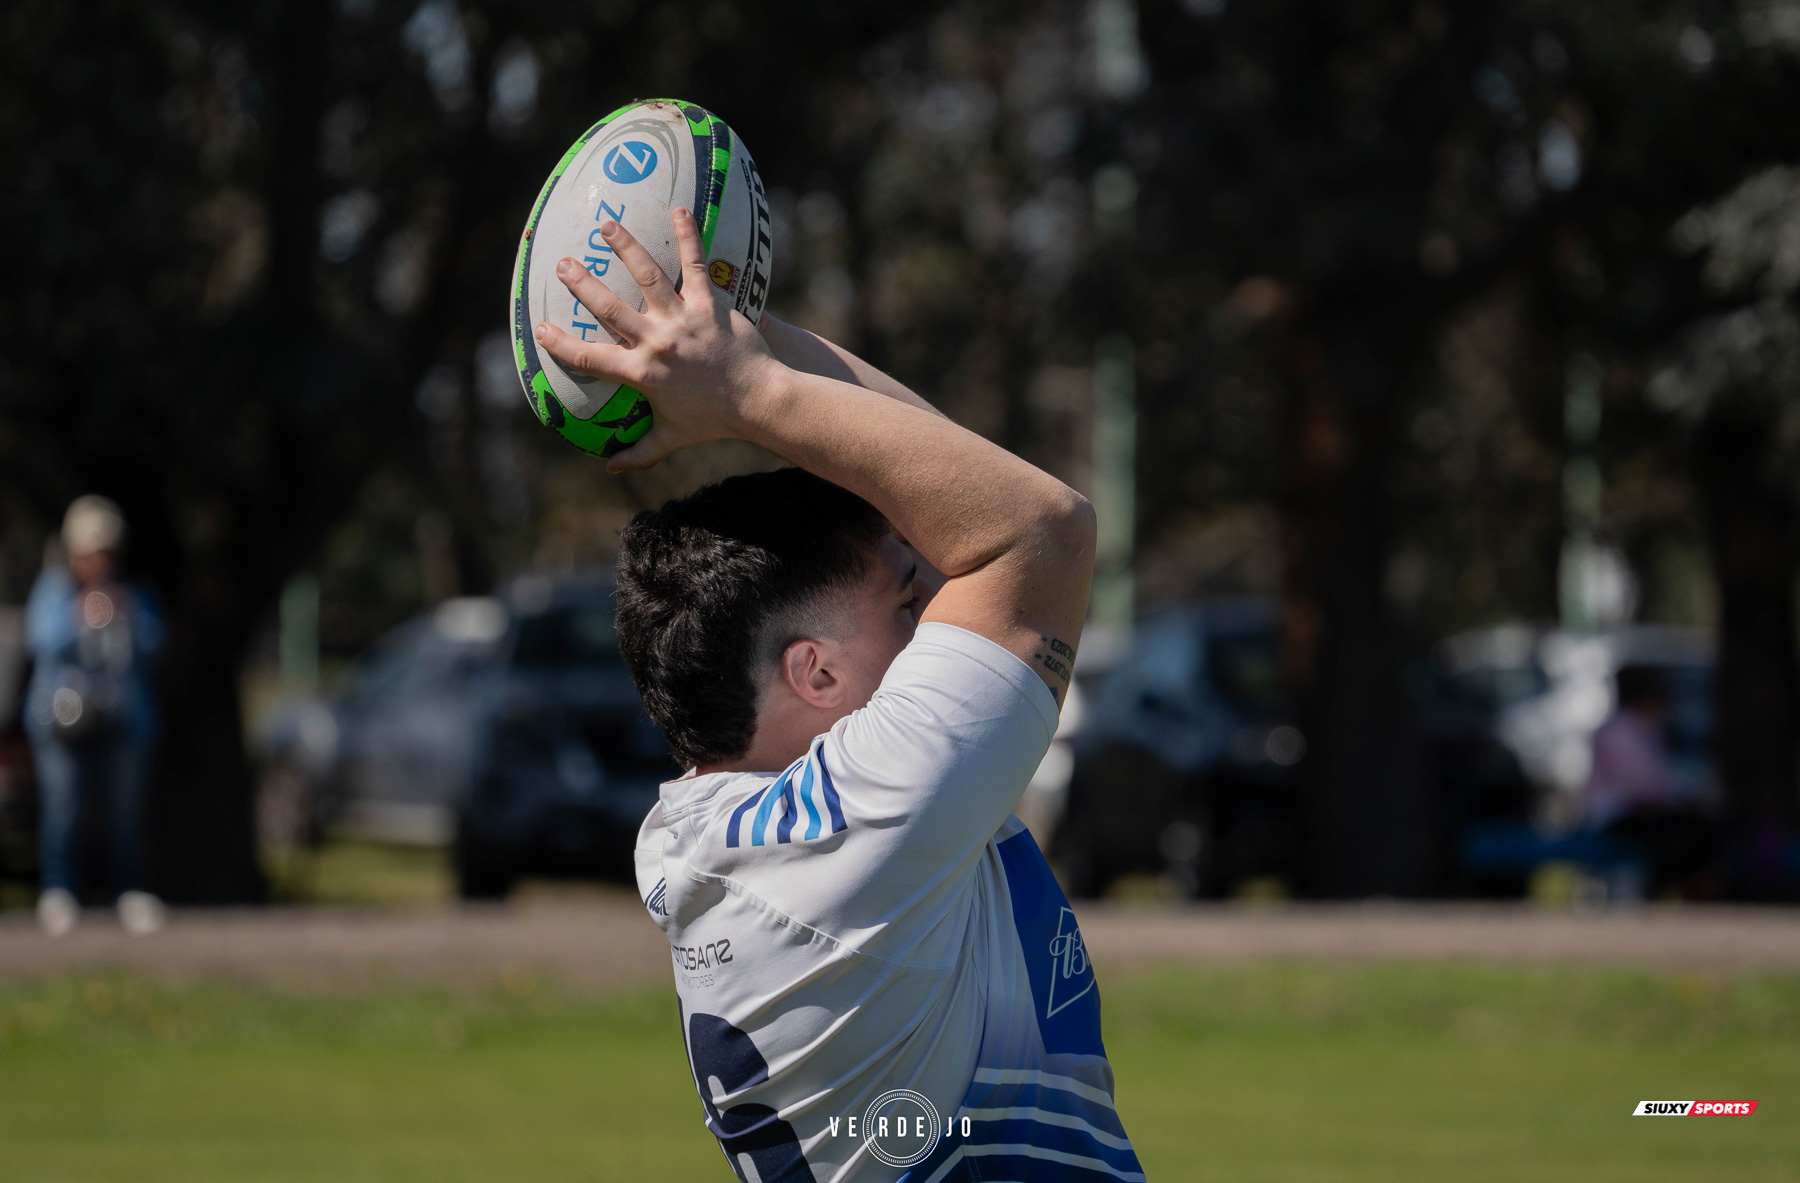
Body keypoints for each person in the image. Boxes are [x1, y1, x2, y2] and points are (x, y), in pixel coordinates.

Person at [533, 211, 1139, 1181]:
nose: (939, 602)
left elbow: (951, 483)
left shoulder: (766, 825)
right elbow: (1038, 527)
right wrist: (750, 386)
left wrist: (721, 339)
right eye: (906, 602)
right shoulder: (860, 823)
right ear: (813, 672)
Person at [24, 496, 167, 937]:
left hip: (121, 719)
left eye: (105, 552)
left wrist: (125, 616)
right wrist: (77, 615)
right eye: (89, 553)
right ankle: (59, 891)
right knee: (63, 809)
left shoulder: (130, 592)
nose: (98, 562)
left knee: (124, 813)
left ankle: (127, 892)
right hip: (62, 720)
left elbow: (155, 644)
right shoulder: (54, 590)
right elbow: (40, 641)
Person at [1581, 663, 1714, 897]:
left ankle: (1669, 893)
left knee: (1696, 831)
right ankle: (1651, 894)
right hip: (1614, 816)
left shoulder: (1650, 730)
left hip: (1644, 813)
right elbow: (1641, 787)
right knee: (1676, 837)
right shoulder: (1616, 731)